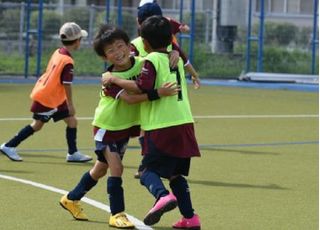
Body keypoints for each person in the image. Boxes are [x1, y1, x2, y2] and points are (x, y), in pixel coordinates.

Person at [59, 24, 178, 229]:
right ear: (105, 58)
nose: (117, 52)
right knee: (117, 168)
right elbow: (131, 100)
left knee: (99, 170)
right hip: (107, 127)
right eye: (110, 51)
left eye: (120, 46)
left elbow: (162, 57)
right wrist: (159, 93)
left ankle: (71, 198)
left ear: (129, 46)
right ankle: (117, 214)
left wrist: (174, 52)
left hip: (125, 128)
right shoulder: (108, 80)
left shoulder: (143, 63)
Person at [102, 16, 201, 229]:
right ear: (170, 39)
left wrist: (114, 78)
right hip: (185, 123)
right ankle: (190, 219)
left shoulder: (152, 60)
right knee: (176, 174)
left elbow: (140, 87)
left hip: (161, 125)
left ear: (144, 41)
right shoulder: (174, 58)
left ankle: (162, 196)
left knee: (147, 172)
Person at [0, 22, 92, 163]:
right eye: (81, 39)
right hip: (49, 99)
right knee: (37, 125)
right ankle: (9, 145)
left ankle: (72, 153)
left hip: (54, 97)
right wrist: (70, 105)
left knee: (72, 121)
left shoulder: (58, 52)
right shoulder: (68, 61)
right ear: (77, 41)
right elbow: (66, 85)